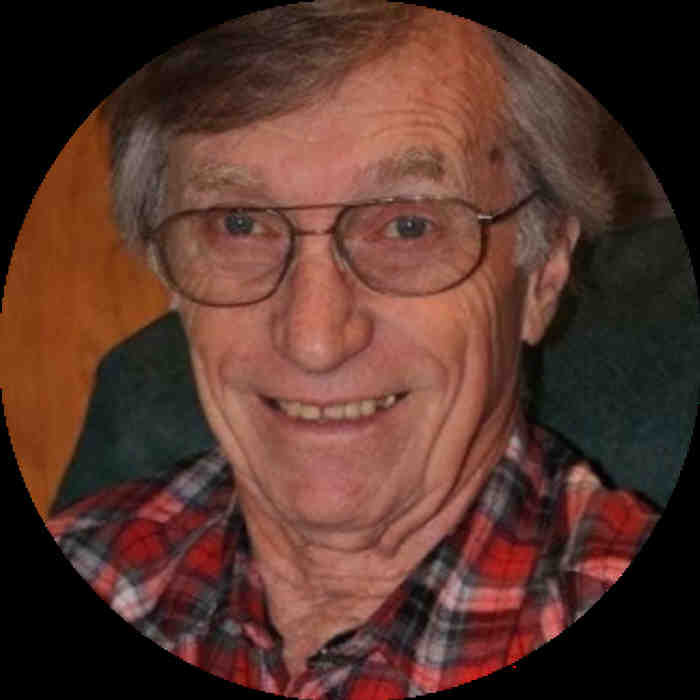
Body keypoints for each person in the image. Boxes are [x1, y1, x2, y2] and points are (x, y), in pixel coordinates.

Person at [48, 2, 659, 696]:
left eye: (407, 226)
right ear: (169, 273)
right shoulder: (92, 564)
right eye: (240, 224)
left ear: (543, 271)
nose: (313, 339)